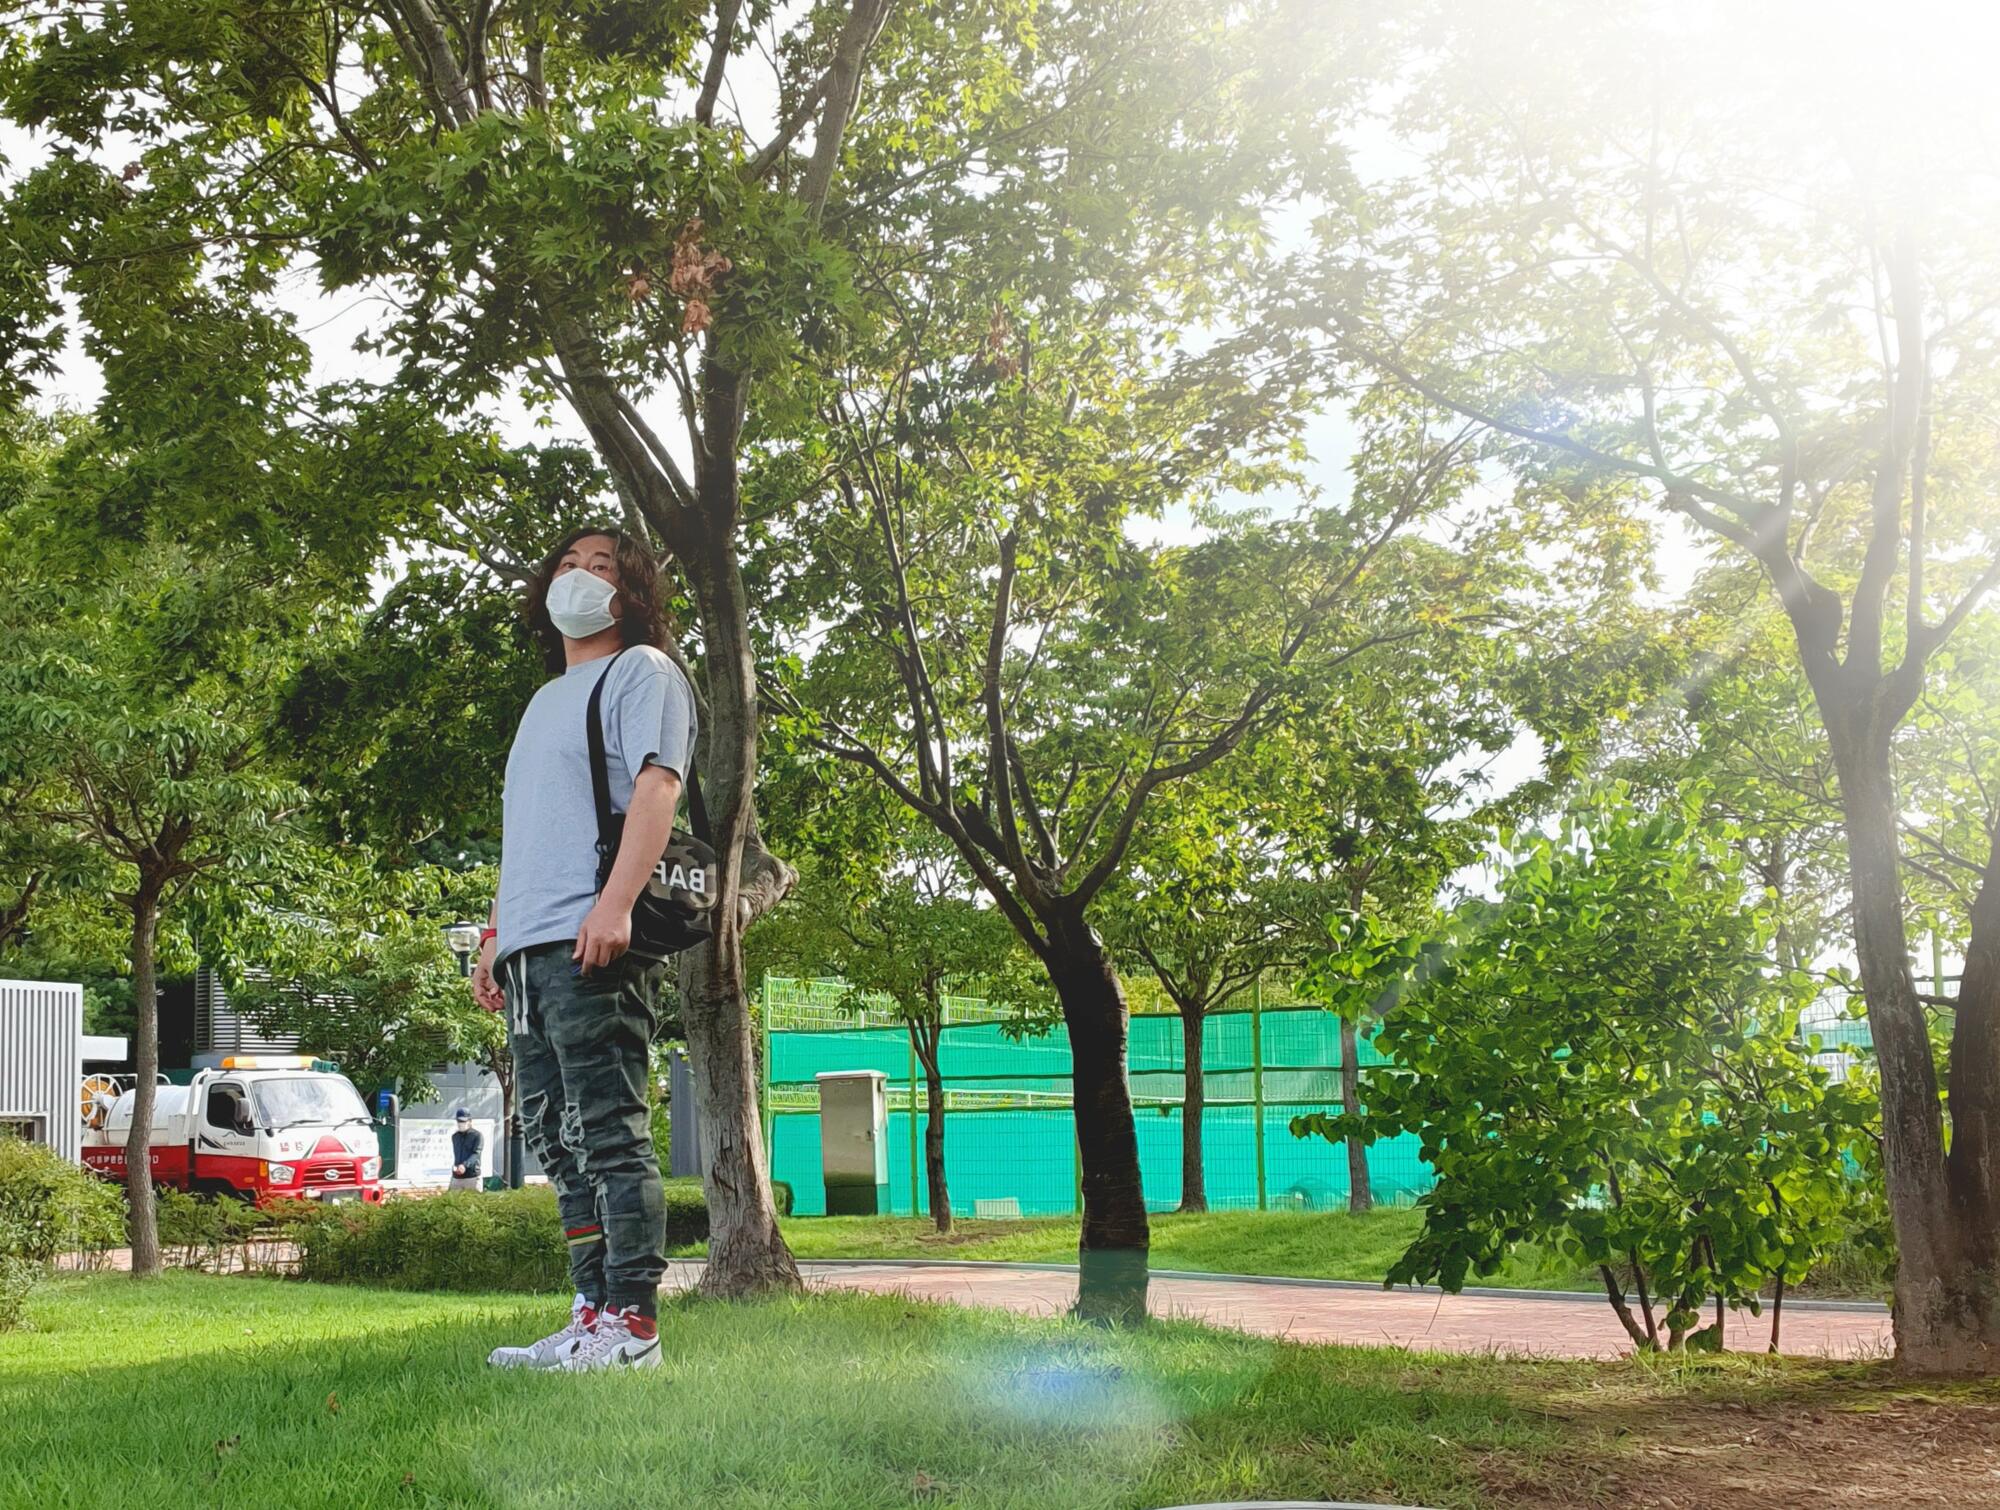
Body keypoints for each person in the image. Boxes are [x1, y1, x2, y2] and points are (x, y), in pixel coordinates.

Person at [471, 525, 695, 1373]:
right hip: (530, 949)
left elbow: (658, 785)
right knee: (555, 1139)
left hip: (591, 936)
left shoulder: (643, 672)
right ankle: (590, 1312)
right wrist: (495, 936)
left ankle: (634, 1327)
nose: (580, 577)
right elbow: (526, 832)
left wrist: (617, 904)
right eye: (568, 564)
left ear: (630, 592)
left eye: (602, 567)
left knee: (608, 1132)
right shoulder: (543, 702)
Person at [449, 1108, 483, 1192]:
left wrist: (464, 1165)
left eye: (464, 1121)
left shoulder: (477, 1135)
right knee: (452, 1199)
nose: (461, 1123)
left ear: (470, 1121)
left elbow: (476, 1153)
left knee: (474, 1199)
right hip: (457, 1177)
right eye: (459, 1121)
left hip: (472, 1177)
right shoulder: (455, 1137)